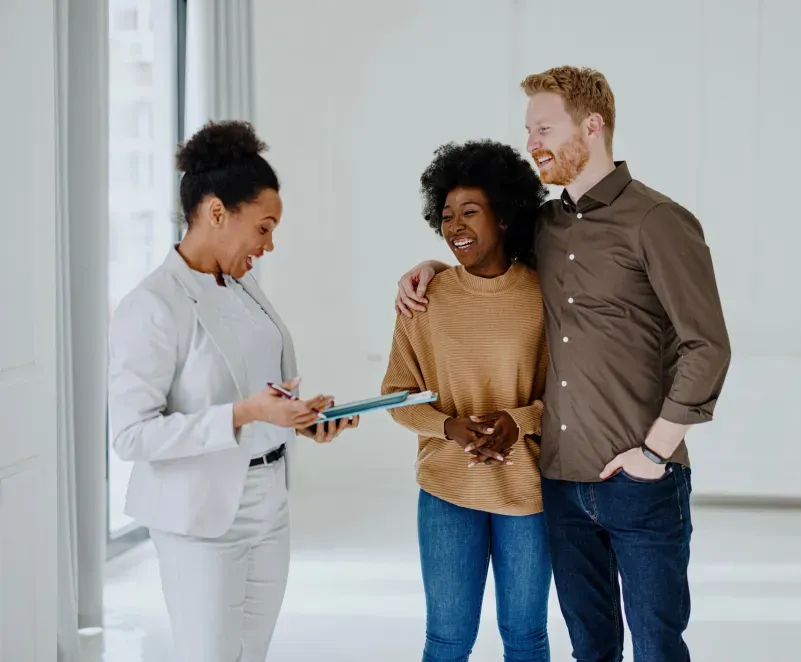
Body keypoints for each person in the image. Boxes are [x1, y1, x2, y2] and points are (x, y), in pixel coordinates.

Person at [394, 66, 732, 661]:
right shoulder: (545, 228)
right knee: (590, 649)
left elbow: (707, 345)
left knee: (656, 647)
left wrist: (655, 453)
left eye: (544, 128)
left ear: (593, 127)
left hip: (640, 479)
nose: (533, 144)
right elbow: (484, 263)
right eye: (529, 131)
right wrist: (431, 266)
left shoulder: (658, 220)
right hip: (560, 480)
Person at [107, 120, 359, 662]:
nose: (269, 245)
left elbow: (257, 391)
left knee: (252, 653)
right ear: (217, 212)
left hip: (269, 502)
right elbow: (130, 435)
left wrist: (301, 419)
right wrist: (243, 414)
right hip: (201, 517)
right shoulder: (152, 306)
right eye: (263, 228)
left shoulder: (241, 288)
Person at [381, 139, 552, 662]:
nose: (455, 226)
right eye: (447, 215)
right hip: (446, 491)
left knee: (525, 638)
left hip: (526, 490)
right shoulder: (425, 298)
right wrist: (447, 427)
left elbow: (565, 393)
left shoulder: (542, 296)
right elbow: (396, 394)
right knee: (448, 639)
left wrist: (519, 422)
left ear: (503, 216)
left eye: (470, 212)